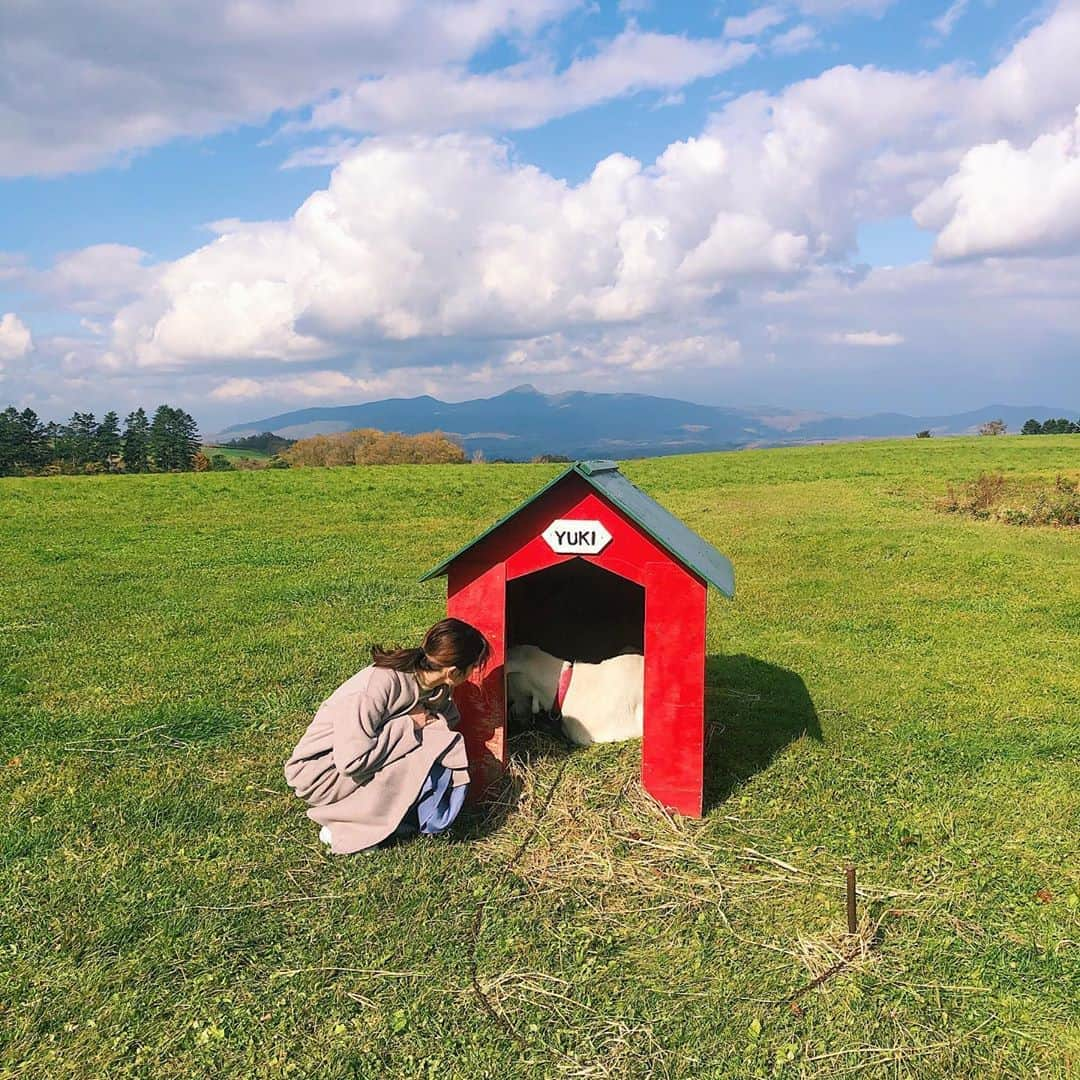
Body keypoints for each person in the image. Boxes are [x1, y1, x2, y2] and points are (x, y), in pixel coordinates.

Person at [284, 617, 490, 854]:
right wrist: (409, 726)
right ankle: (346, 826)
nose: (474, 673)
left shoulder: (437, 687)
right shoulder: (376, 687)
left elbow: (448, 720)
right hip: (320, 772)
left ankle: (398, 814)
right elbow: (352, 762)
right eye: (473, 667)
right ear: (454, 671)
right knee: (422, 746)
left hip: (361, 758)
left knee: (434, 739)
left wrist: (423, 723)